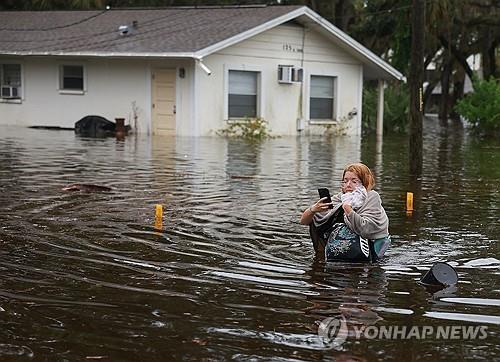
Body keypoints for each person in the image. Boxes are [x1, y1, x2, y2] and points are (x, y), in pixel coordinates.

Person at [300, 162, 390, 262]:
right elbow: (304, 221)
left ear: (364, 183)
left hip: (371, 248)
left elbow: (366, 229)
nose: (348, 185)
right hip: (343, 248)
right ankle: (322, 256)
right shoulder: (341, 197)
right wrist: (313, 209)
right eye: (345, 181)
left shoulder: (372, 197)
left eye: (354, 181)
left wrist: (347, 208)